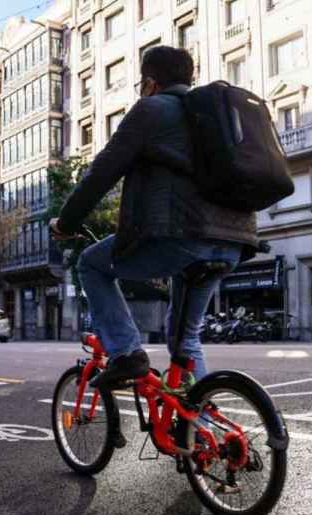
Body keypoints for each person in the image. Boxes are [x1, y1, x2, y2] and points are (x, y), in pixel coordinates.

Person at [50, 45, 258, 389]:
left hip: (179, 235)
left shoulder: (151, 109)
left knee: (91, 264)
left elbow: (101, 173)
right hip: (235, 241)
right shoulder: (216, 116)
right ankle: (199, 427)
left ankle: (128, 353)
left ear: (149, 83)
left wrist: (67, 223)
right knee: (185, 341)